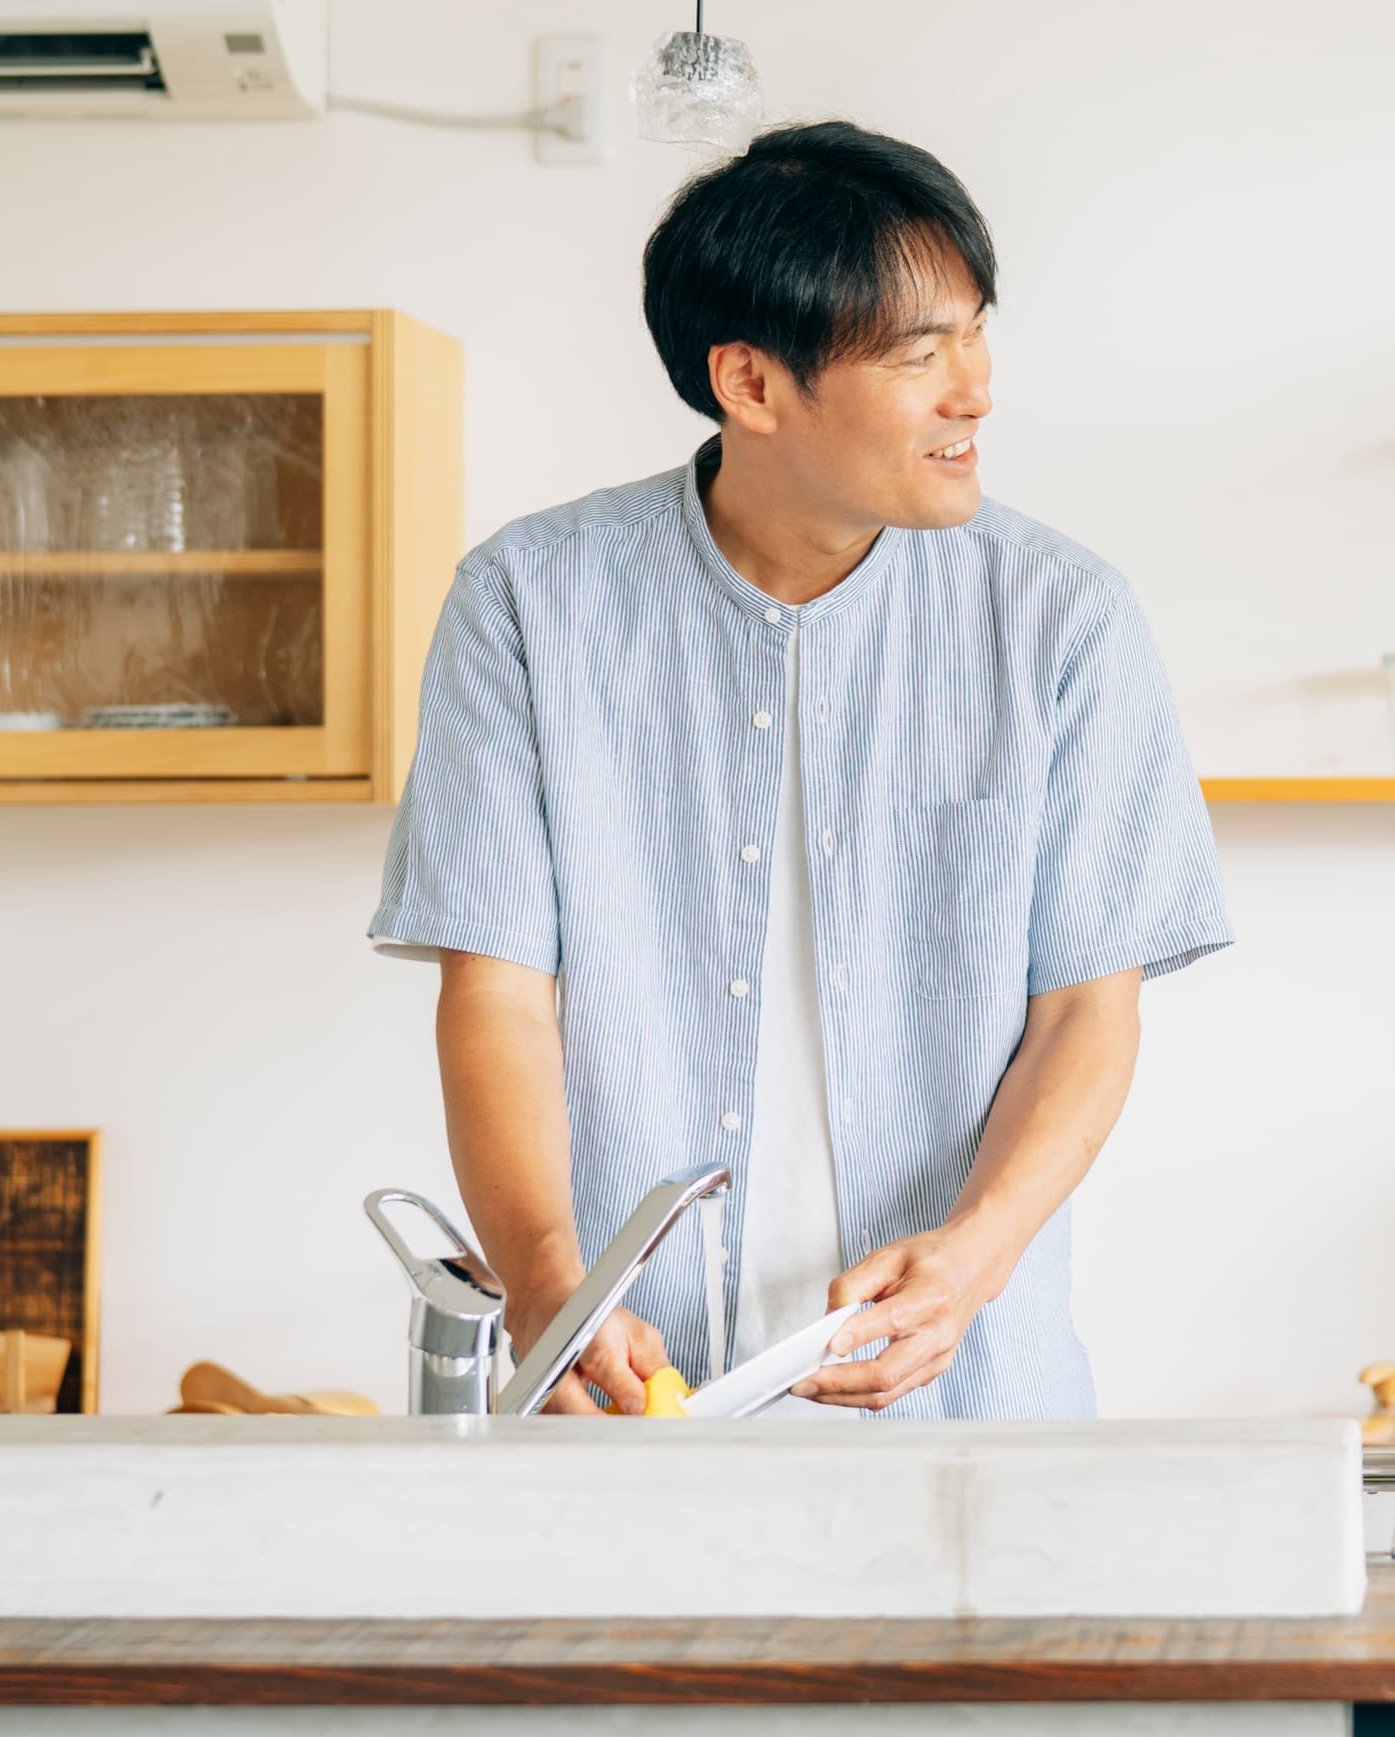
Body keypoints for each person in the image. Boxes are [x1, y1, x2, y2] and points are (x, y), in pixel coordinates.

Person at [370, 122, 1230, 1417]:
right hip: (627, 1393)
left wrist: (974, 1261)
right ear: (751, 385)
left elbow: (1087, 1014)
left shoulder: (1064, 622)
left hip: (972, 1402)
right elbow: (495, 991)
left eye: (976, 331)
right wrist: (550, 1280)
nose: (976, 389)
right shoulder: (527, 606)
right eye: (918, 353)